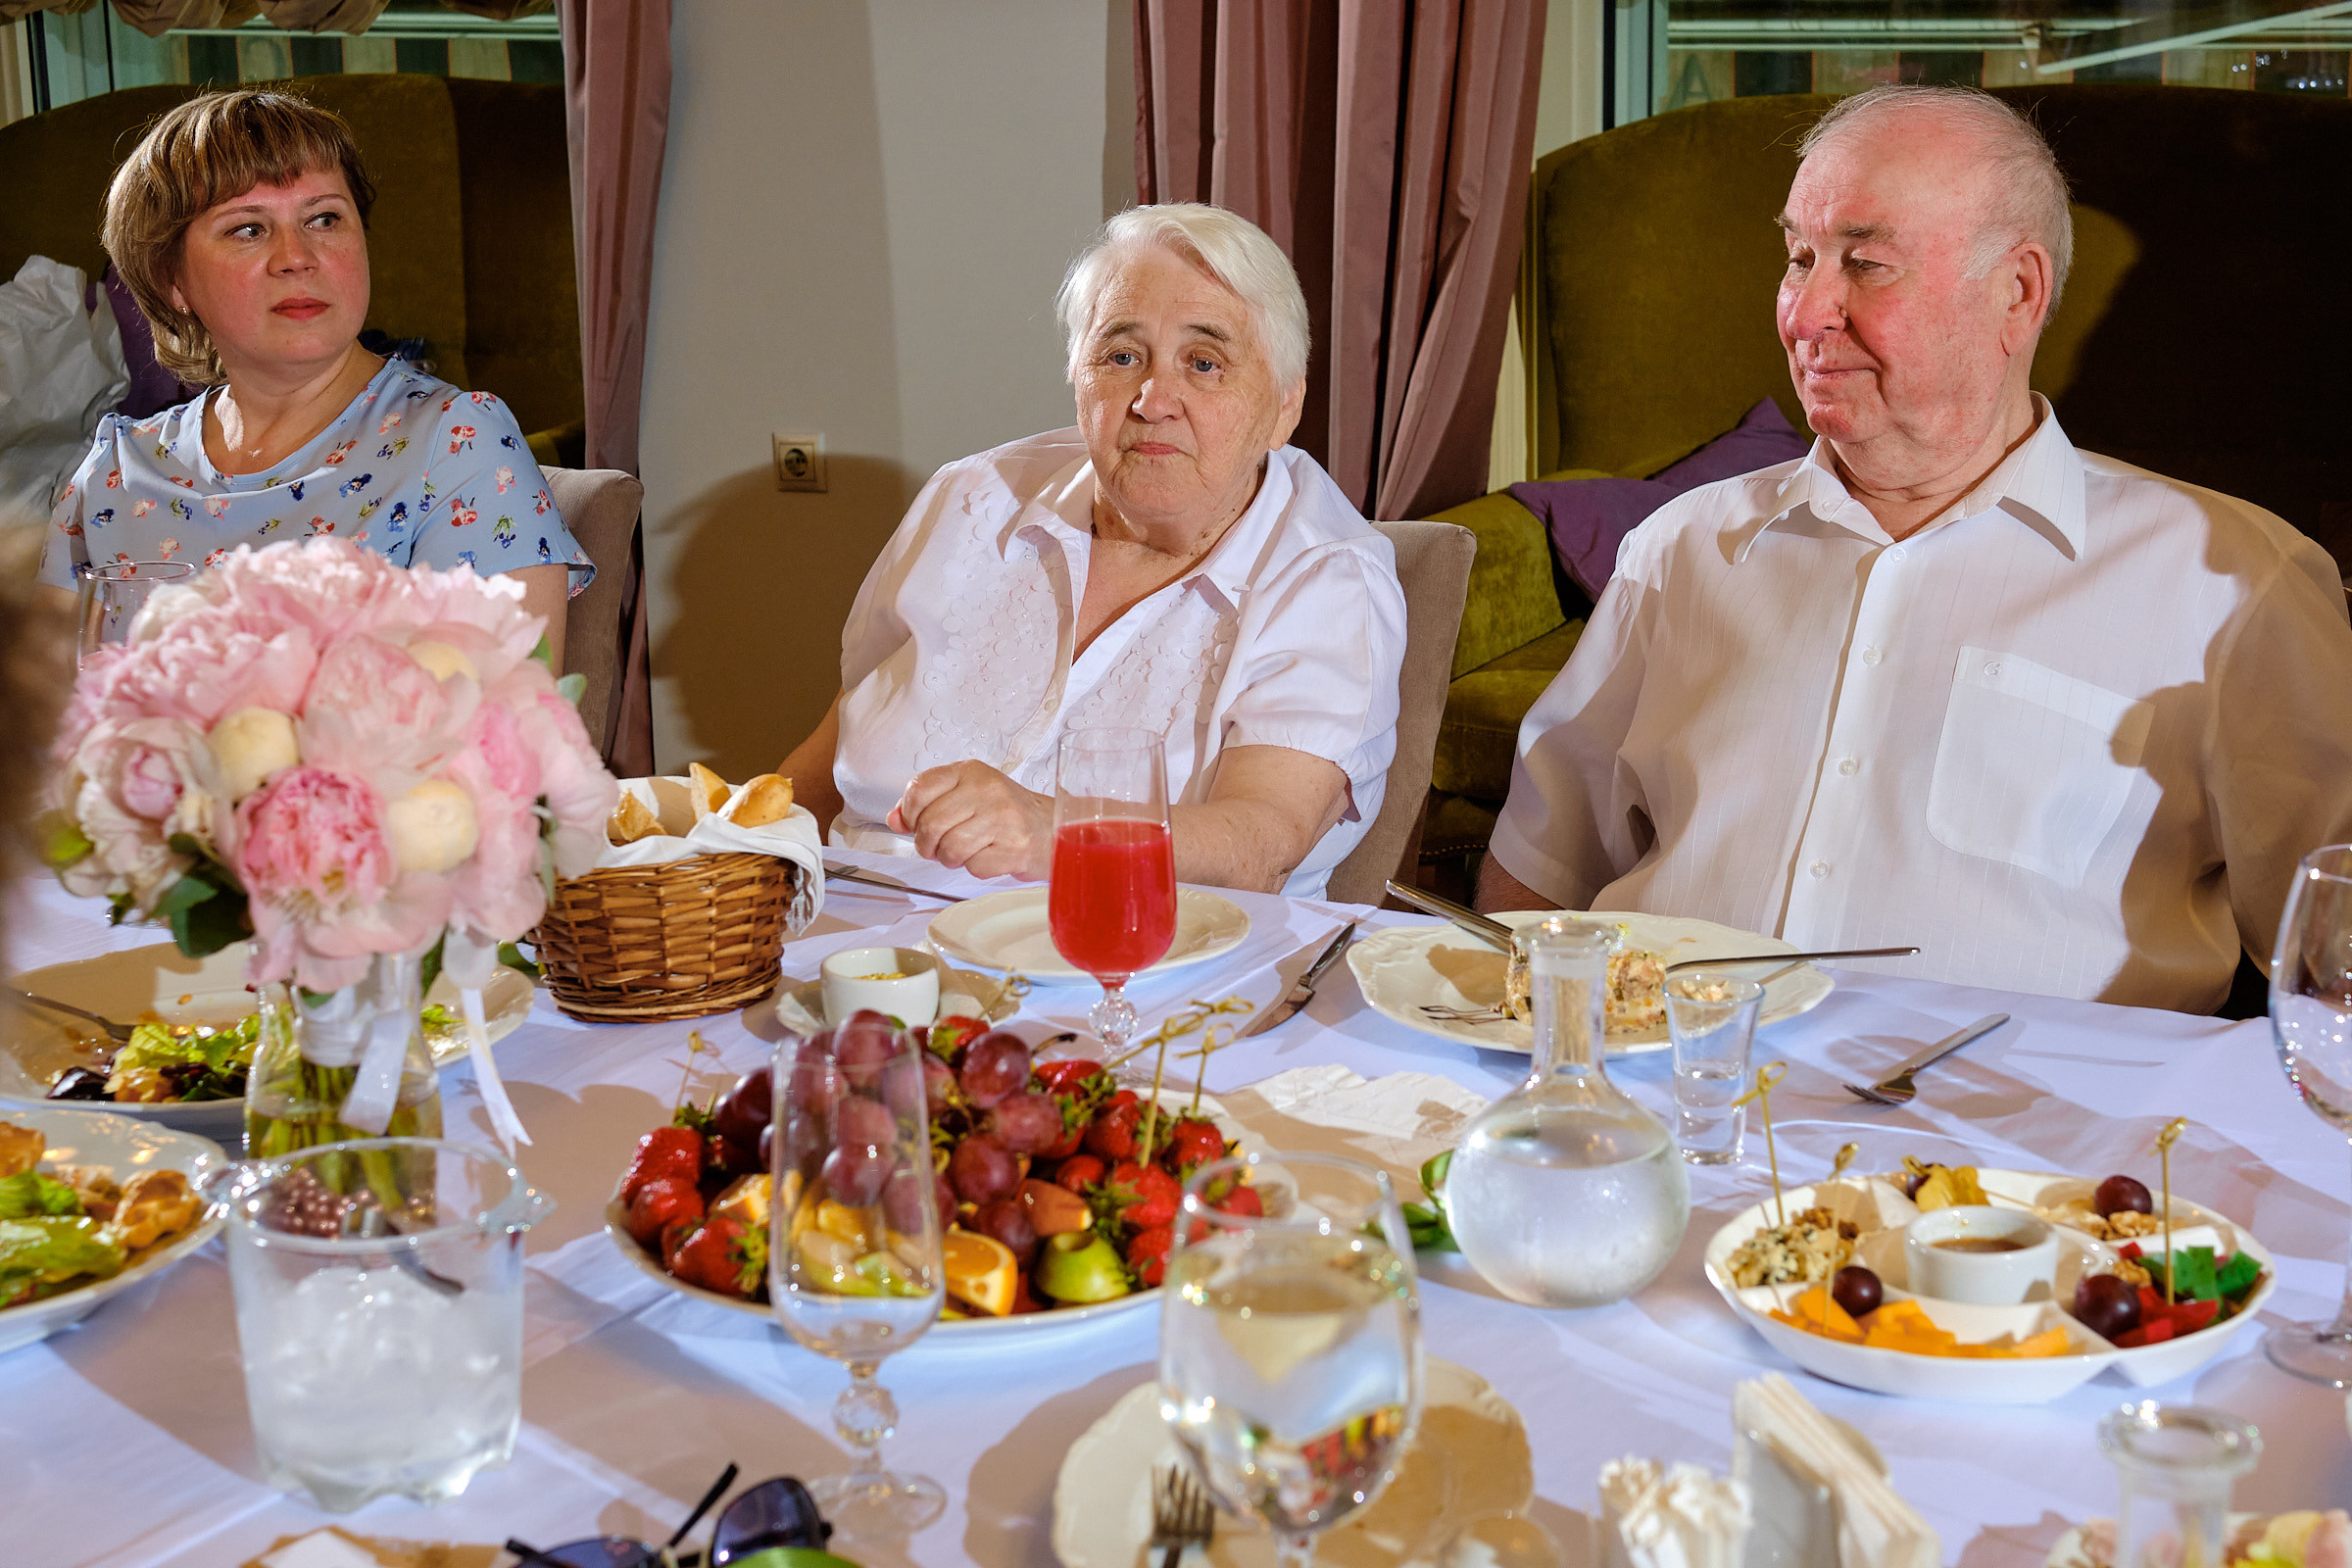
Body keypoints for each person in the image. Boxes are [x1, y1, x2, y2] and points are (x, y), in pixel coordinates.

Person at [1478, 84, 2352, 1011]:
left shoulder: (2234, 583)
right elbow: (1542, 873)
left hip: (2023, 1144)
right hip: (1675, 1108)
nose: (1807, 312)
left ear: (2016, 292)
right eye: (1798, 258)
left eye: (1866, 263)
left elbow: (2334, 949)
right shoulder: (1684, 550)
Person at [778, 203, 1407, 898]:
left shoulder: (1327, 579)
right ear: (1078, 378)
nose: (1152, 399)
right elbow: (851, 716)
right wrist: (726, 845)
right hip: (857, 945)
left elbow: (1262, 842)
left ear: (1286, 406)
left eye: (1203, 363)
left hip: (1143, 969)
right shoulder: (971, 498)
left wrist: (1059, 830)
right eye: (1121, 356)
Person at [35, 89, 592, 665]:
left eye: (323, 218)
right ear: (171, 281)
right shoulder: (114, 474)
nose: (296, 256)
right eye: (247, 229)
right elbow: (35, 730)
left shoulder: (456, 441)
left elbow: (506, 735)